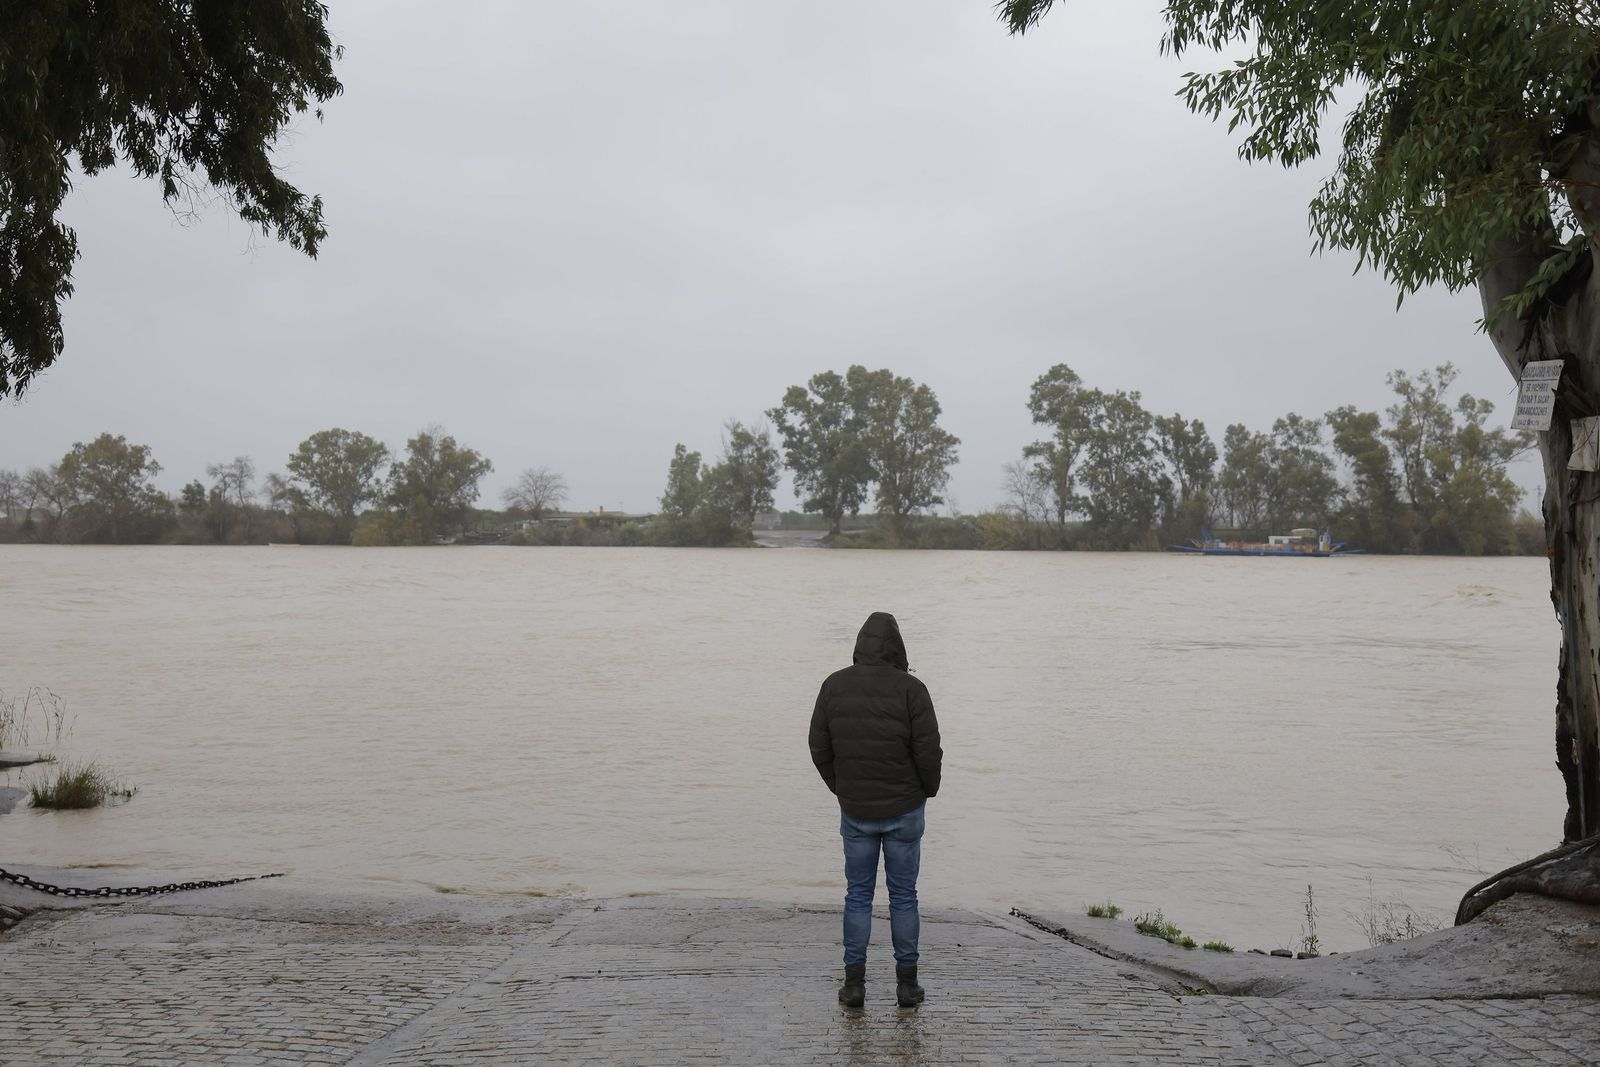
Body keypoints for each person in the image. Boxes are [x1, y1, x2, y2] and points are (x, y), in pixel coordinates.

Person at [808, 611, 943, 1009]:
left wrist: (842, 789)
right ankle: (907, 987)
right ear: (898, 647)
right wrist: (926, 792)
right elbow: (928, 751)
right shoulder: (912, 689)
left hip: (856, 811)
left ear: (859, 645)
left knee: (857, 896)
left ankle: (854, 987)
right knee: (904, 897)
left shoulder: (833, 686)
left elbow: (819, 747)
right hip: (905, 810)